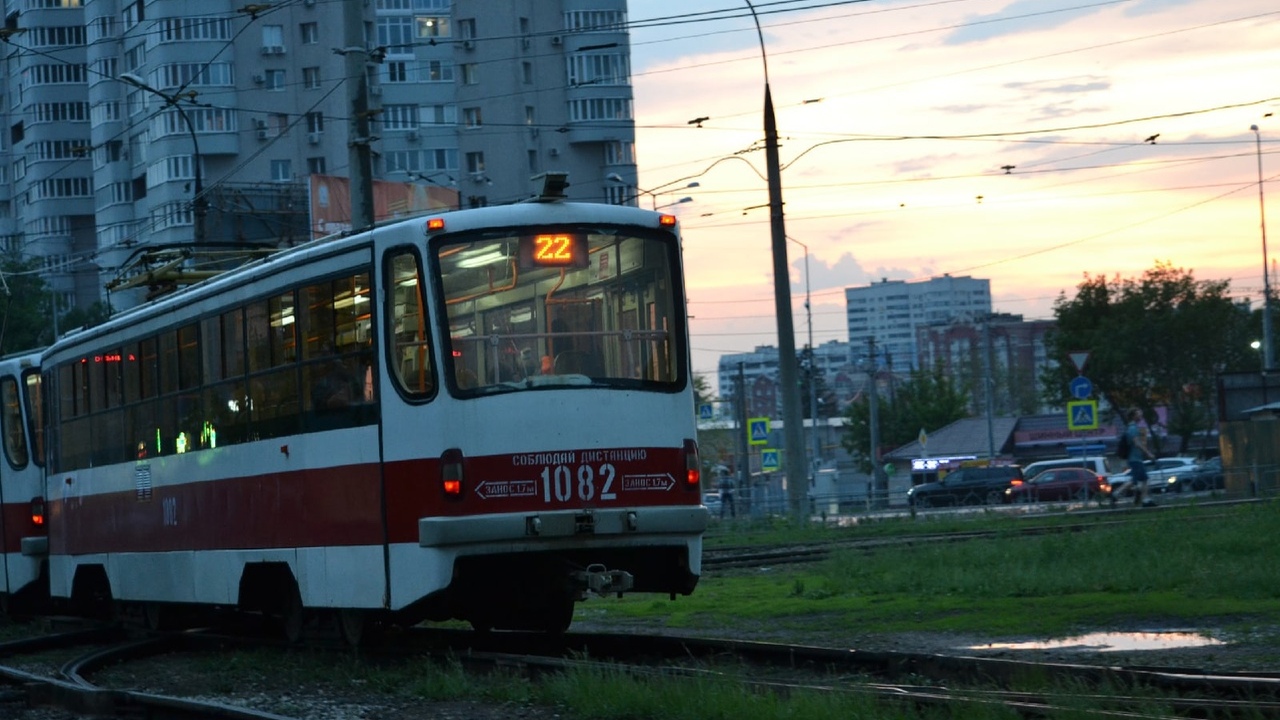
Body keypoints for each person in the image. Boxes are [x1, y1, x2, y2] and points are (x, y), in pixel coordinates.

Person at [1125, 408, 1156, 507]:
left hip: (1135, 458)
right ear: (1133, 416)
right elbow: (1137, 443)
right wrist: (1148, 453)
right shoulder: (1133, 428)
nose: (1141, 416)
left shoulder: (1132, 427)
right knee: (1144, 479)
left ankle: (1140, 496)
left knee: (1138, 480)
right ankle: (1145, 500)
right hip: (1135, 458)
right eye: (1139, 414)